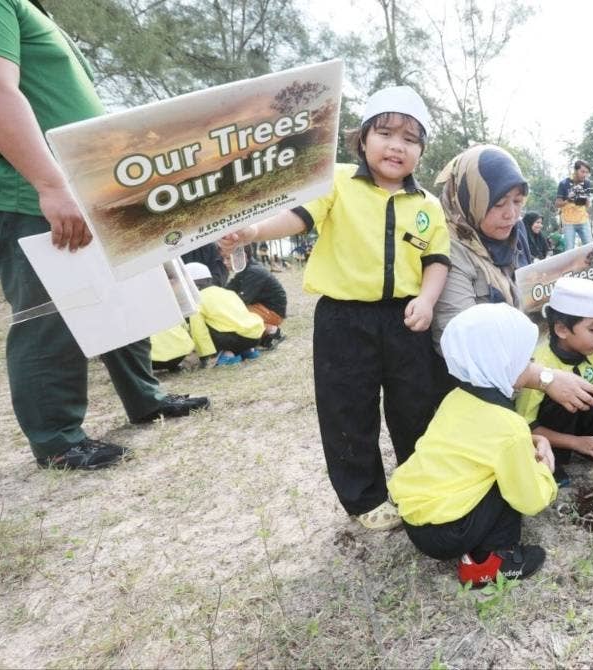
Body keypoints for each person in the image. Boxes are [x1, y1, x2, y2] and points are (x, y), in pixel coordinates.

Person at [220, 86, 449, 531]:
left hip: (405, 320)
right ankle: (365, 499)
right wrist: (253, 231)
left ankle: (417, 480)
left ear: (421, 150)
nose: (397, 146)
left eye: (410, 138)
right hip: (343, 320)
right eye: (385, 133)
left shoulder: (428, 205)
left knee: (416, 406)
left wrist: (426, 299)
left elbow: (436, 260)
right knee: (347, 409)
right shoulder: (336, 181)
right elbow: (298, 218)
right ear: (362, 139)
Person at [0, 0, 208, 470]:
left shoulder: (35, 11)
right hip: (32, 194)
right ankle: (56, 438)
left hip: (88, 189)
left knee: (123, 293)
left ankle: (145, 396)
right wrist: (50, 185)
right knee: (49, 313)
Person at [388, 303, 556, 587]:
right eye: (525, 358)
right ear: (503, 361)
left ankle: (478, 548)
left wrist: (530, 441)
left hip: (416, 520)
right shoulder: (509, 426)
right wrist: (543, 472)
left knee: (499, 467)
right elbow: (530, 500)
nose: (530, 365)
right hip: (448, 532)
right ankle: (491, 563)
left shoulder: (456, 397)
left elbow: (480, 442)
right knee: (509, 480)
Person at [431, 144, 593, 413]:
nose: (511, 214)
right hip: (468, 396)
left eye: (518, 201)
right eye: (498, 203)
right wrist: (545, 378)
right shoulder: (447, 249)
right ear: (469, 199)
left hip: (516, 380)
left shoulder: (512, 236)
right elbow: (465, 348)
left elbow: (524, 295)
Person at [515, 277, 593, 487]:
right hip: (540, 436)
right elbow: (526, 426)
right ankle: (551, 459)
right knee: (562, 399)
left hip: (574, 430)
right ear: (562, 330)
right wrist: (576, 442)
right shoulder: (538, 368)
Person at [185, 262, 264, 366]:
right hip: (254, 337)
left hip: (231, 341)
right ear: (209, 279)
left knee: (205, 324)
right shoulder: (228, 292)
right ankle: (248, 351)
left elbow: (198, 331)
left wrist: (205, 356)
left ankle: (227, 355)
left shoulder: (197, 300)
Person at [225, 249, 287, 349]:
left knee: (233, 314)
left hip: (272, 312)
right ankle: (264, 336)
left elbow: (242, 300)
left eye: (228, 258)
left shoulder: (254, 271)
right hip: (262, 308)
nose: (225, 262)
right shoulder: (245, 270)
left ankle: (272, 330)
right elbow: (228, 289)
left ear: (243, 256)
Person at [555, 160, 593, 250]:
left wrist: (584, 195)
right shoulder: (564, 183)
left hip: (583, 220)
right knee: (569, 250)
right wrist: (568, 199)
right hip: (568, 222)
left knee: (591, 248)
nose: (585, 175)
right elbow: (557, 204)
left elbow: (588, 205)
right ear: (575, 170)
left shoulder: (587, 183)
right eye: (582, 172)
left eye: (587, 172)